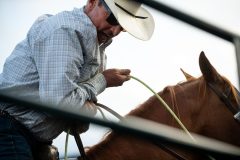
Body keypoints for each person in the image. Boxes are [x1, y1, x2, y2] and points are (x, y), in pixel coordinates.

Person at [0, 0, 155, 159]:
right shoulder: (66, 31)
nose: (115, 31)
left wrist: (83, 108)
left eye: (123, 27)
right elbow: (58, 104)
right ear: (92, 2)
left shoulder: (96, 49)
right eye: (113, 19)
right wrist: (103, 81)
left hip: (30, 138)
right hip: (9, 129)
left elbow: (76, 119)